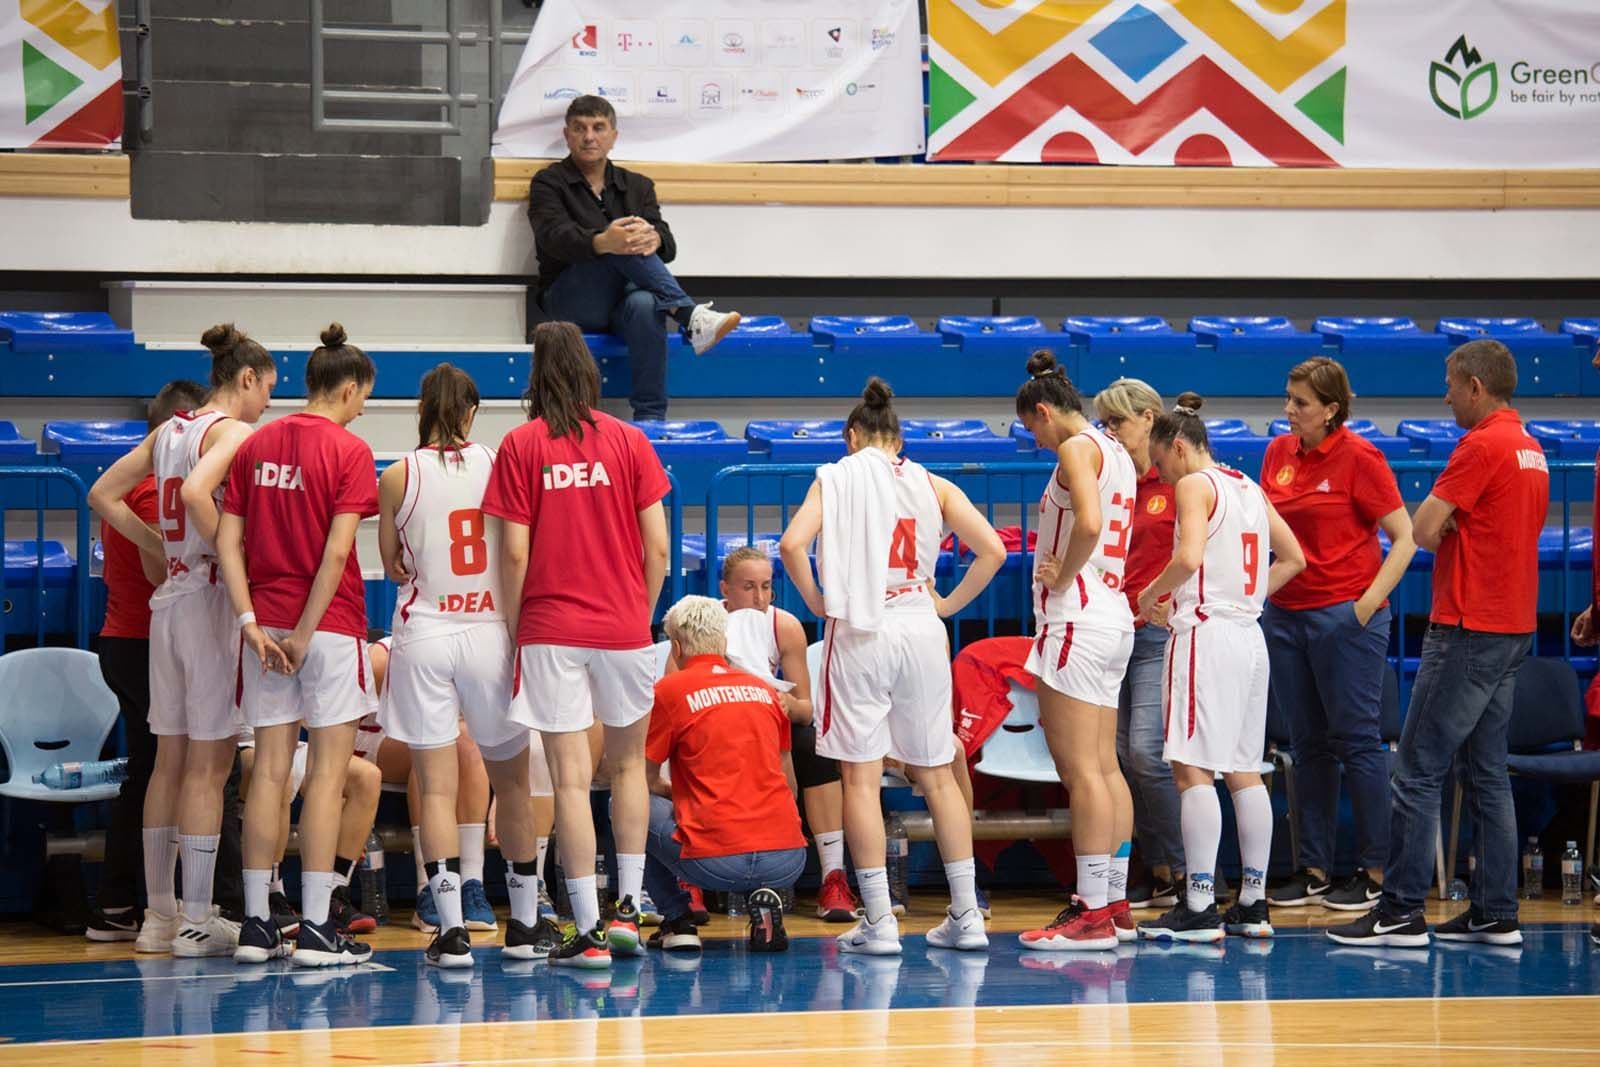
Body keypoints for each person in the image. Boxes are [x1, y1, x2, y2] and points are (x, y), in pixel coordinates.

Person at [1329, 340, 1549, 948]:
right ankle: (1495, 910)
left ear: (1476, 386)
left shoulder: (1479, 446)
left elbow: (1422, 529)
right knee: (1487, 773)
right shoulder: (1531, 448)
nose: (1446, 396)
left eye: (1451, 385)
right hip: (1512, 625)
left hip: (1468, 625)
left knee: (1417, 771)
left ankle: (1400, 909)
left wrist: (1447, 523)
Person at [780, 377, 1005, 956]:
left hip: (861, 627)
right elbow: (994, 551)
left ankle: (879, 921)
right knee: (938, 774)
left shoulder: (836, 477)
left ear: (852, 436)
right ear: (899, 439)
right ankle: (967, 915)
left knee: (858, 777)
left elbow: (790, 545)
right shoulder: (933, 482)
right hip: (920, 627)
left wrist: (816, 600)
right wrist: (947, 604)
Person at [481, 321, 672, 968]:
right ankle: (629, 908)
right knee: (628, 767)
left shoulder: (521, 444)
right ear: (591, 371)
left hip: (551, 627)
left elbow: (513, 553)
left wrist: (518, 626)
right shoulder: (629, 439)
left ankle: (587, 929)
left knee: (568, 779)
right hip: (623, 626)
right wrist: (638, 614)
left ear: (536, 375)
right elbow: (659, 548)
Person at [90, 326, 280, 957]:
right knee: (210, 765)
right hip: (209, 601)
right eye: (267, 390)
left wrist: (160, 544)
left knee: (167, 762)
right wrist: (233, 556)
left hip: (168, 600)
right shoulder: (232, 432)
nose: (267, 405)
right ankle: (199, 917)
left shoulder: (169, 430)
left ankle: (159, 917)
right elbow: (198, 494)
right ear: (246, 378)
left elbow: (101, 495)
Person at [219, 322, 379, 967]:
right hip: (328, 629)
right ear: (348, 389)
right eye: (365, 397)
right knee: (328, 776)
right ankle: (315, 926)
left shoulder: (256, 443)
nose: (364, 409)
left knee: (269, 773)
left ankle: (258, 924)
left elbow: (227, 541)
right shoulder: (349, 450)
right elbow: (338, 552)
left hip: (264, 627)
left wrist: (249, 622)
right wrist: (306, 634)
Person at [378, 363, 547, 968]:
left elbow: (393, 562)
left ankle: (449, 930)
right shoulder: (500, 462)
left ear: (421, 408)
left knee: (437, 787)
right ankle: (525, 923)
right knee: (514, 785)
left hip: (425, 630)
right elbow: (520, 546)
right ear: (472, 412)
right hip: (488, 629)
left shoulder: (398, 473)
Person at [1132, 393, 1305, 942]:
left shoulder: (1194, 485)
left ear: (1180, 447)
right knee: (1244, 770)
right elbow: (1296, 558)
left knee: (1191, 770)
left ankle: (1200, 904)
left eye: (1161, 462)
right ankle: (1253, 902)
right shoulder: (1249, 486)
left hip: (1205, 636)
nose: (1161, 474)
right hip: (1249, 636)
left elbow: (1187, 558)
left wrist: (1151, 596)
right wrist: (1245, 598)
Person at [1261, 357, 1416, 912]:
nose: (1289, 410)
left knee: (1357, 740)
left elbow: (1405, 537)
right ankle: (1314, 869)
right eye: (1288, 398)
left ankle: (1376, 871)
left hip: (1344, 618)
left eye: (1300, 402)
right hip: (1286, 616)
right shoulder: (1277, 453)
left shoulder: (1361, 457)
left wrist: (1363, 608)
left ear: (1331, 409)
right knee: (1306, 745)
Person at [1010, 352, 1140, 952]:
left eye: (1031, 428)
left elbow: (1087, 523)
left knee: (1081, 771)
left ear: (1044, 411)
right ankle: (1114, 901)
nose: (1035, 441)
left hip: (1078, 618)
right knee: (1106, 768)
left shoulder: (1076, 449)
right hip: (1112, 614)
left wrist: (1061, 579)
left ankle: (1089, 911)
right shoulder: (1118, 449)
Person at [86, 378, 222, 942]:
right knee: (185, 768)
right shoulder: (151, 491)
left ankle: (127, 905)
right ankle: (172, 905)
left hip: (128, 638)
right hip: (143, 639)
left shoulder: (137, 485)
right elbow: (157, 569)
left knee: (151, 769)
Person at [528, 94, 741, 421]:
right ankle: (689, 316)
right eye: (580, 128)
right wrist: (602, 241)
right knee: (620, 242)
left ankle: (650, 418)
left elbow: (668, 244)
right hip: (569, 298)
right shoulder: (549, 182)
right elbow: (553, 238)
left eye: (598, 127)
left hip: (625, 302)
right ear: (567, 135)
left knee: (645, 303)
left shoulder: (638, 186)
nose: (589, 137)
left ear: (614, 135)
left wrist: (655, 238)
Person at [644, 596, 809, 952]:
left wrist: (679, 794)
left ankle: (678, 920)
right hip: (787, 858)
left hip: (715, 863)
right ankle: (763, 900)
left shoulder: (669, 691)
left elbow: (644, 779)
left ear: (676, 647)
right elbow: (788, 783)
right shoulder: (766, 690)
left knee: (628, 804)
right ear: (724, 641)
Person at [717, 545, 860, 923]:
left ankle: (833, 877)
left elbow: (806, 708)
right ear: (725, 589)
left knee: (813, 746)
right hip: (717, 728)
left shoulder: (784, 626)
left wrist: (784, 704)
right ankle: (689, 884)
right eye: (749, 587)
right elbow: (678, 692)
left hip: (770, 725)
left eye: (766, 586)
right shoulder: (705, 623)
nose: (760, 598)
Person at [1093, 377, 1185, 911]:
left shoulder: (1177, 481)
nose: (1109, 432)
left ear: (1149, 419)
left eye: (1118, 421)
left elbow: (1199, 551)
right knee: (1124, 758)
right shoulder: (1113, 478)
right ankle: (1156, 870)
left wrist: (1177, 601)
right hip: (1115, 629)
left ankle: (1191, 872)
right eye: (1103, 423)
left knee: (1148, 754)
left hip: (1156, 633)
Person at [236, 719, 380, 937]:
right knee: (279, 776)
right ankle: (272, 896)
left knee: (367, 778)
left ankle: (333, 893)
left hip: (290, 743)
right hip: (243, 743)